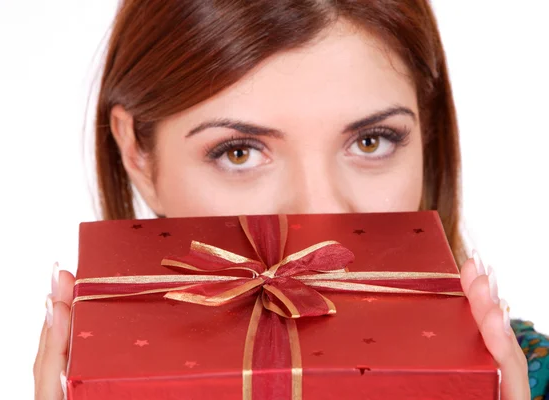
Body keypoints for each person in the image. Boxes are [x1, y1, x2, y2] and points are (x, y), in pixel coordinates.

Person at [33, 0, 548, 399]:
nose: (320, 215)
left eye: (371, 141)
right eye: (238, 153)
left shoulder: (530, 373)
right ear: (137, 155)